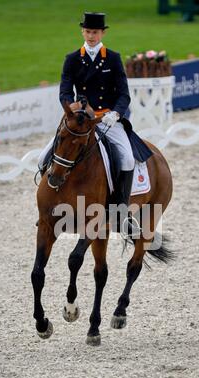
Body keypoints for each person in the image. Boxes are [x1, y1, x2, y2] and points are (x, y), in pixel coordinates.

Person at [38, 12, 145, 234]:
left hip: (107, 120)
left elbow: (124, 94)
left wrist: (115, 114)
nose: (91, 36)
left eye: (95, 32)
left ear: (102, 33)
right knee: (43, 158)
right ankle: (47, 209)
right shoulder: (73, 58)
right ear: (82, 32)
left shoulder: (113, 58)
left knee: (126, 158)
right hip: (80, 120)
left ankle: (120, 213)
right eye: (87, 32)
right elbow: (65, 90)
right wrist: (72, 107)